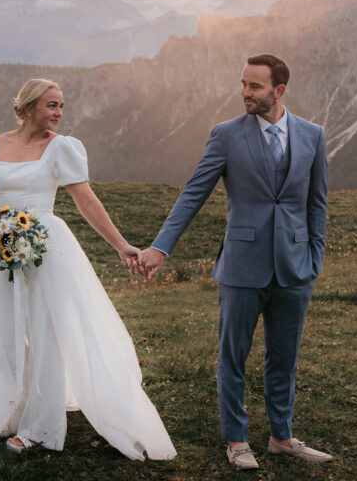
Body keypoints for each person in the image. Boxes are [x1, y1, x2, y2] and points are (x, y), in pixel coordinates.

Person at [0, 78, 176, 461]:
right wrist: (2, 232)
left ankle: (39, 428)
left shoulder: (62, 149)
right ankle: (4, 403)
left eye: (61, 106)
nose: (59, 113)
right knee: (0, 329)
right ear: (29, 107)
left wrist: (122, 245)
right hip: (2, 246)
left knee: (46, 333)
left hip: (48, 247)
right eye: (51, 105)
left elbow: (87, 202)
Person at [137, 53, 331, 470]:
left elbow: (317, 203)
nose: (245, 92)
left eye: (255, 86)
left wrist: (314, 255)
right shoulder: (225, 135)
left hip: (296, 269)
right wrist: (160, 247)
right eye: (243, 83)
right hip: (242, 267)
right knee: (233, 357)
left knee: (284, 357)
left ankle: (282, 437)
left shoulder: (313, 135)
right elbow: (194, 193)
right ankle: (237, 440)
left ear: (278, 91)